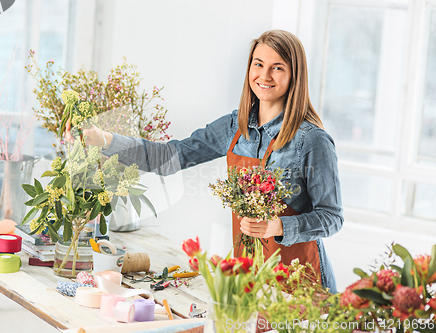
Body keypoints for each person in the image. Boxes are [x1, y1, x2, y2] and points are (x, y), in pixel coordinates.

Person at [66, 30, 343, 293]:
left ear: (295, 75)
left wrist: (279, 226)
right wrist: (104, 139)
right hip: (247, 276)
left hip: (301, 281)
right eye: (259, 64)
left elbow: (332, 217)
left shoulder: (312, 140)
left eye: (278, 67)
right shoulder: (234, 126)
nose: (265, 75)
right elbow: (169, 157)